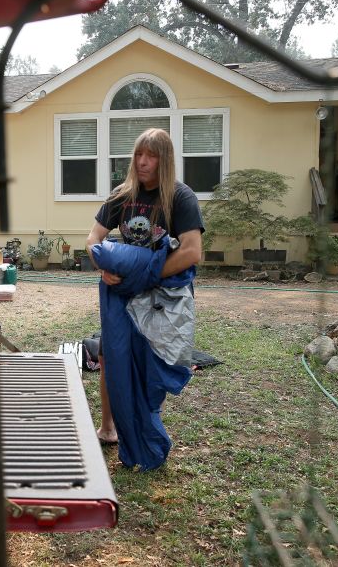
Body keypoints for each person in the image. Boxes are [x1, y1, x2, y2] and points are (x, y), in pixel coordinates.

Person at [85, 127, 204, 470]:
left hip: (161, 296)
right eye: (138, 154)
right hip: (121, 291)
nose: (142, 162)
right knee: (111, 354)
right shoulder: (121, 195)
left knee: (151, 359)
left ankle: (143, 429)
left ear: (164, 160)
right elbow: (93, 239)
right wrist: (102, 268)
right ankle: (109, 428)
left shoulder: (180, 198)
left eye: (150, 156)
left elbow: (193, 252)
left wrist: (147, 273)